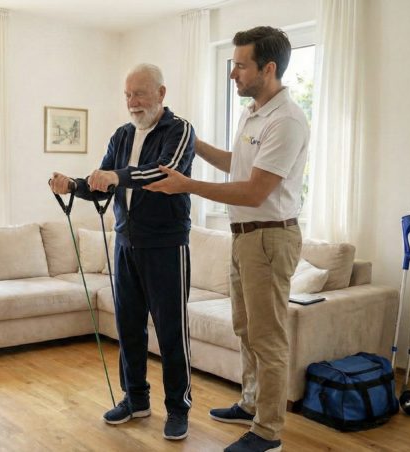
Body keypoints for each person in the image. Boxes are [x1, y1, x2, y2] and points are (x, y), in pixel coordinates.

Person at [145, 26, 309, 452]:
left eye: (240, 65)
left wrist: (188, 186)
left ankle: (268, 432)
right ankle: (252, 402)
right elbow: (239, 166)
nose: (233, 73)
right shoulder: (253, 113)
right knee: (245, 329)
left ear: (268, 68)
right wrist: (191, 140)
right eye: (232, 64)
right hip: (244, 237)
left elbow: (255, 191)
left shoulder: (287, 120)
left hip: (270, 240)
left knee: (268, 337)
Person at [49, 63, 195, 441]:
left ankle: (178, 409)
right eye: (128, 95)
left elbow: (164, 174)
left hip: (166, 246)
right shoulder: (122, 135)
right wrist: (75, 184)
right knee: (128, 327)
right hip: (126, 243)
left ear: (161, 94)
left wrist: (118, 175)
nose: (132, 102)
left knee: (171, 332)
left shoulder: (179, 130)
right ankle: (136, 399)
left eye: (140, 94)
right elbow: (103, 184)